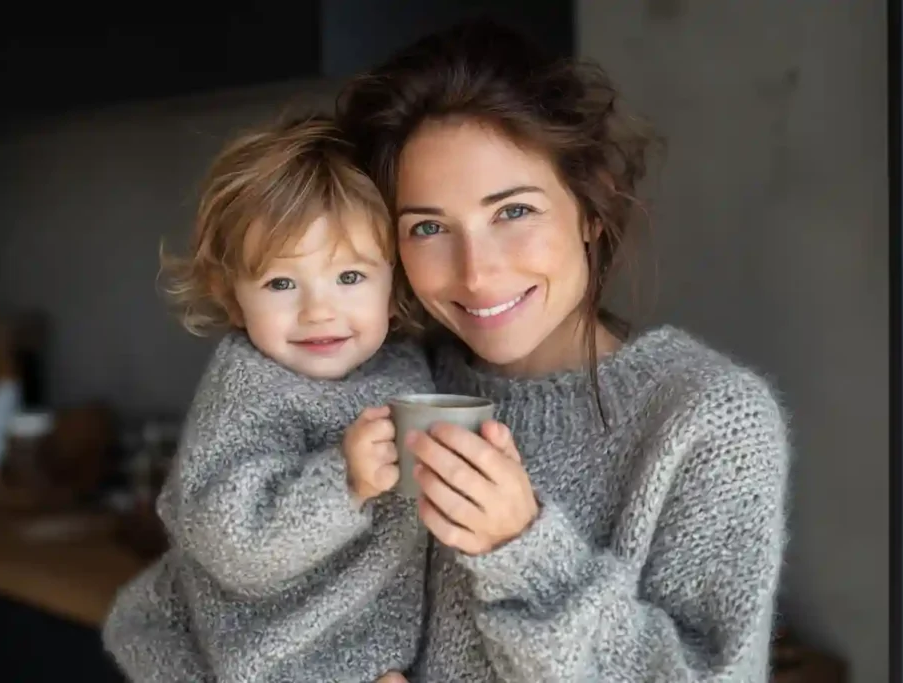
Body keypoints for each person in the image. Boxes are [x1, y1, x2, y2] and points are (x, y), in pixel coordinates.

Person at [335, 19, 791, 682]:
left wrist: (522, 548)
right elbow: (190, 621)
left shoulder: (707, 420)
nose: (477, 272)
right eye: (429, 227)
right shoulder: (391, 386)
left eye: (513, 211)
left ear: (589, 208)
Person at [102, 115, 434, 683]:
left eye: (350, 277)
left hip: (382, 653)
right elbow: (232, 542)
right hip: (281, 661)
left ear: (394, 284)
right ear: (232, 299)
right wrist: (343, 480)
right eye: (281, 284)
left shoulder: (404, 365)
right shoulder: (248, 390)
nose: (318, 311)